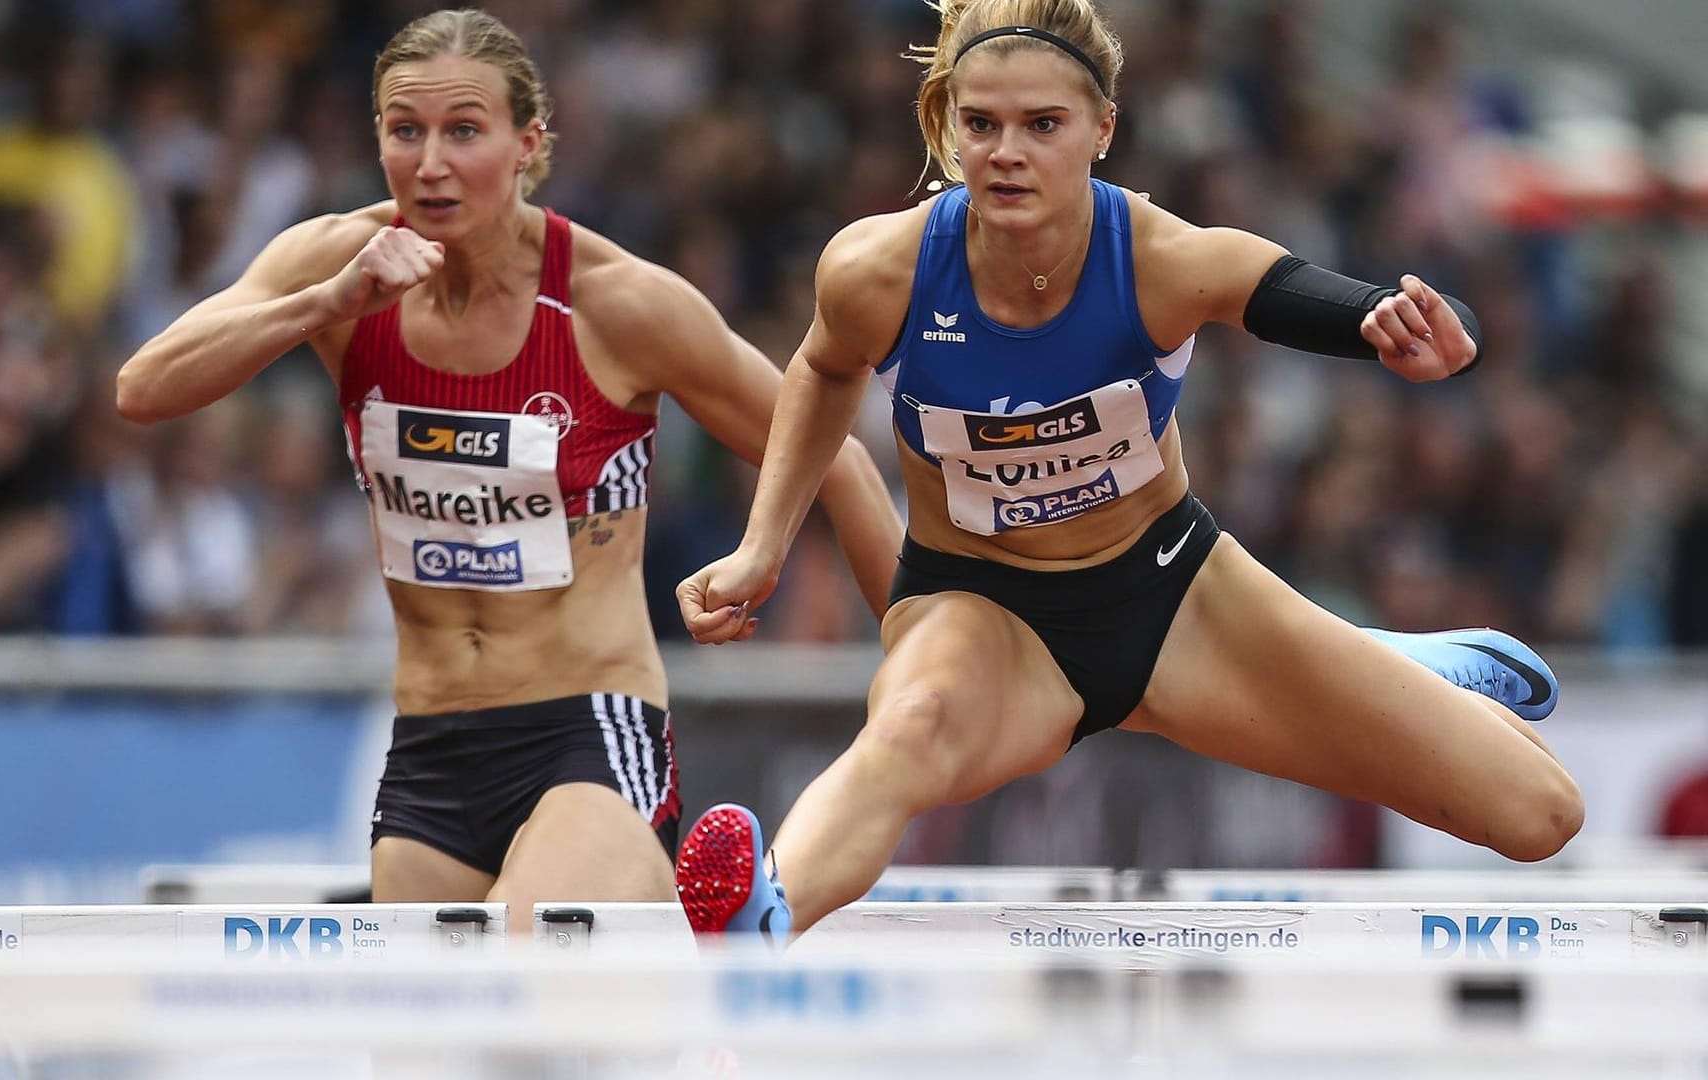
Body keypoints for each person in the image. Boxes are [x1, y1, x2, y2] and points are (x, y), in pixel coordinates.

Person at [672, 0, 1583, 940]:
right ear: (948, 128)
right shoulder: (880, 269)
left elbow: (1283, 289)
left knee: (1538, 813)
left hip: (1176, 597)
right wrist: (760, 548)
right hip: (984, 613)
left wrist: (1388, 326)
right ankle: (761, 910)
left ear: (1102, 130)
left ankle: (1386, 659)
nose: (1006, 153)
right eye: (980, 124)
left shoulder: (1155, 258)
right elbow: (821, 368)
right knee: (909, 730)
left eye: (1043, 125)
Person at [116, 10, 902, 930]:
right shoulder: (337, 266)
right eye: (404, 132)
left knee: (517, 969)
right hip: (430, 749)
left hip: (586, 734)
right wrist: (326, 303)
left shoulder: (614, 304)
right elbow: (143, 387)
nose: (430, 163)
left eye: (463, 131)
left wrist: (910, 667)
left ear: (528, 144)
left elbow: (835, 457)